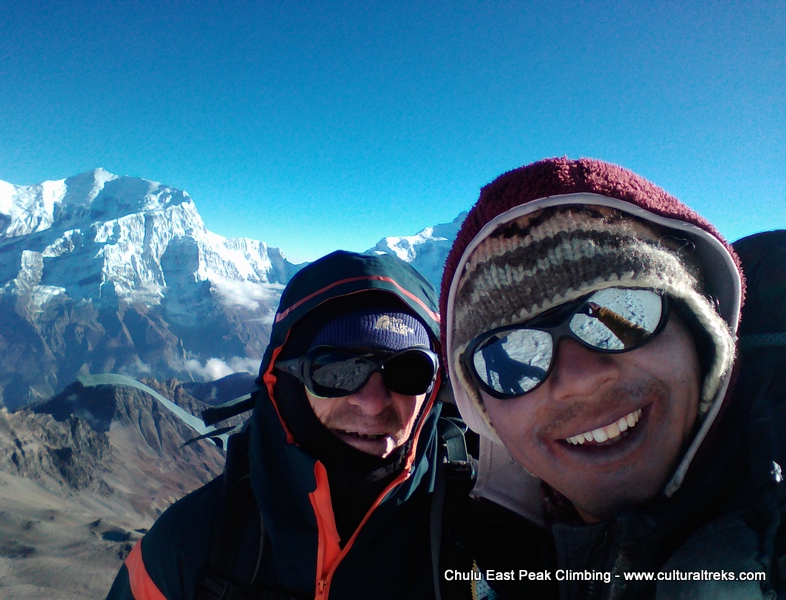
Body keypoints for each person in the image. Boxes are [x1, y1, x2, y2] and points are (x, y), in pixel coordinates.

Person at [439, 157, 784, 598]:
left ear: (702, 334)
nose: (580, 378)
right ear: (483, 411)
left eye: (622, 313)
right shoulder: (490, 549)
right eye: (507, 355)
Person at [106, 250, 450, 599]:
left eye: (410, 372)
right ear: (286, 380)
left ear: (436, 385)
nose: (374, 403)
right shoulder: (184, 549)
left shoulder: (484, 536)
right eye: (336, 370)